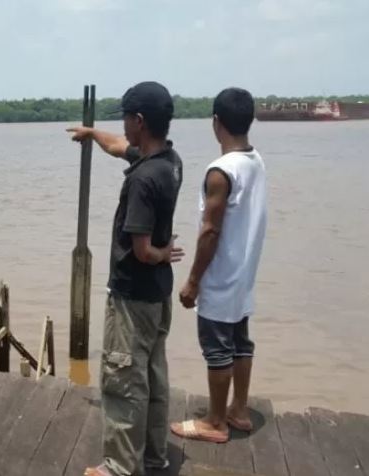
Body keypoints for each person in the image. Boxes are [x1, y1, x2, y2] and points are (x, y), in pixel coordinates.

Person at [68, 81, 184, 476]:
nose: (124, 127)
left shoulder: (141, 180)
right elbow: (119, 146)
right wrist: (91, 134)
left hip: (132, 296)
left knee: (122, 380)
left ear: (140, 121)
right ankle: (154, 457)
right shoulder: (169, 161)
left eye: (126, 120)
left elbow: (142, 251)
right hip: (158, 295)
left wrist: (163, 254)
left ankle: (118, 467)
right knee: (152, 375)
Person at [171, 88, 267, 444]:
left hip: (222, 276)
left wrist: (193, 281)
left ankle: (215, 421)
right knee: (240, 341)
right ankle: (239, 409)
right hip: (244, 274)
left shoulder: (220, 171)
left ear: (216, 122)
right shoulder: (255, 159)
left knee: (216, 348)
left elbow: (210, 230)